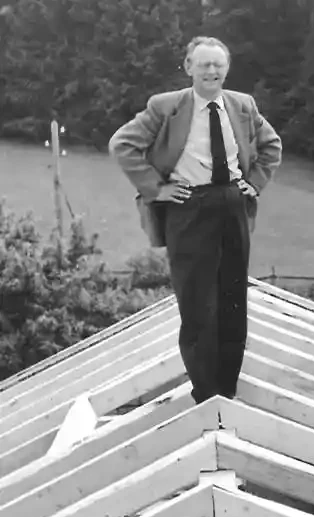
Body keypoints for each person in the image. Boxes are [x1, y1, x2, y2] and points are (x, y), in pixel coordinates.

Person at [109, 36, 282, 405]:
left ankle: (227, 389)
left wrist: (254, 183)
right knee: (196, 301)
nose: (211, 71)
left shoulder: (243, 105)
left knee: (233, 299)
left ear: (227, 69)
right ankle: (206, 393)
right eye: (203, 64)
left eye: (218, 64)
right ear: (188, 67)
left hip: (232, 204)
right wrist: (156, 189)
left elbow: (272, 145)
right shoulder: (165, 107)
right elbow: (122, 144)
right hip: (188, 207)